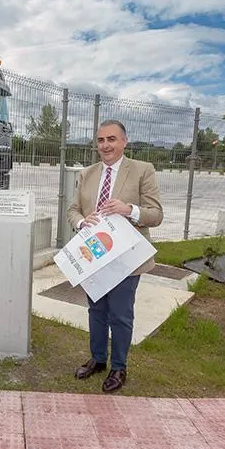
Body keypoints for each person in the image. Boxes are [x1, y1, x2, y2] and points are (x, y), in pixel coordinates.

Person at [67, 119, 163, 393]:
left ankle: (119, 367)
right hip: (94, 256)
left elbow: (155, 214)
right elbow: (73, 209)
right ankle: (97, 359)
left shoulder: (143, 171)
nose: (105, 145)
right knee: (96, 311)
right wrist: (81, 222)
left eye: (111, 139)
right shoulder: (87, 173)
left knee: (120, 315)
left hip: (126, 258)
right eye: (100, 140)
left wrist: (129, 209)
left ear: (124, 141)